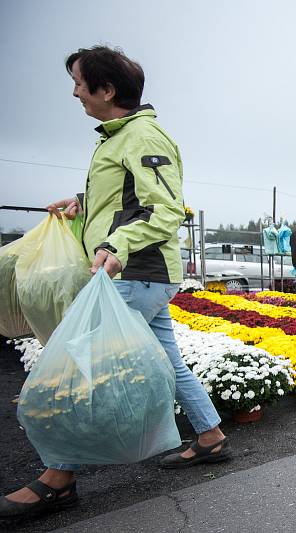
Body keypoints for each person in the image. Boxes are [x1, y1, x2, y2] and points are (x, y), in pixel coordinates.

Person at [0, 46, 230, 522]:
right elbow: (128, 197)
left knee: (78, 365)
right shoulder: (118, 137)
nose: (74, 91)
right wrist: (84, 202)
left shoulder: (142, 135)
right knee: (169, 359)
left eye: (81, 83)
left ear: (107, 90)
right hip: (143, 274)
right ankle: (210, 436)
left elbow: (164, 208)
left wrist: (118, 246)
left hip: (134, 272)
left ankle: (59, 479)